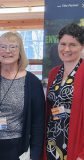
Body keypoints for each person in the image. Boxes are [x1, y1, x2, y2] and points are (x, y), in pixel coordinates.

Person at [0, 32, 45, 160]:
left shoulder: (33, 82)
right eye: (2, 46)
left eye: (13, 47)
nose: (7, 51)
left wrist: (35, 155)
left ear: (20, 51)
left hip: (16, 148)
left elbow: (38, 123)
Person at [43, 23, 84, 160]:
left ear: (82, 46)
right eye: (63, 44)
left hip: (75, 144)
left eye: (73, 45)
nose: (66, 49)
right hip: (52, 141)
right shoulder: (54, 73)